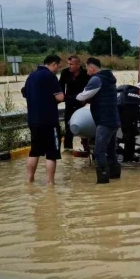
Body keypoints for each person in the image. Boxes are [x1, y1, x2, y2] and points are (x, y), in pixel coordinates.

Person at [76, 57, 121, 184]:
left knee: (99, 151)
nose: (86, 72)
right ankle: (115, 177)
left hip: (104, 121)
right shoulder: (109, 78)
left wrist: (73, 97)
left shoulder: (96, 79)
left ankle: (103, 181)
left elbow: (82, 96)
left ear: (91, 68)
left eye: (86, 68)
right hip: (113, 120)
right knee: (111, 150)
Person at [24, 55, 64, 184]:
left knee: (34, 151)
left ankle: (29, 180)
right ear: (53, 64)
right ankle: (50, 184)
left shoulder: (31, 76)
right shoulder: (50, 76)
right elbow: (60, 97)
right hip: (49, 121)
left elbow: (25, 93)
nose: (58, 69)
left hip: (33, 120)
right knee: (52, 153)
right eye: (58, 66)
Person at [58, 55, 90, 150]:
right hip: (69, 104)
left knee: (84, 129)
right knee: (68, 129)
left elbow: (89, 89)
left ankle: (86, 149)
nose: (69, 66)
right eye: (68, 64)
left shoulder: (85, 73)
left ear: (78, 64)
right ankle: (68, 152)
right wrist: (62, 98)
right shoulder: (65, 73)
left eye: (71, 64)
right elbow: (60, 87)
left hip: (82, 105)